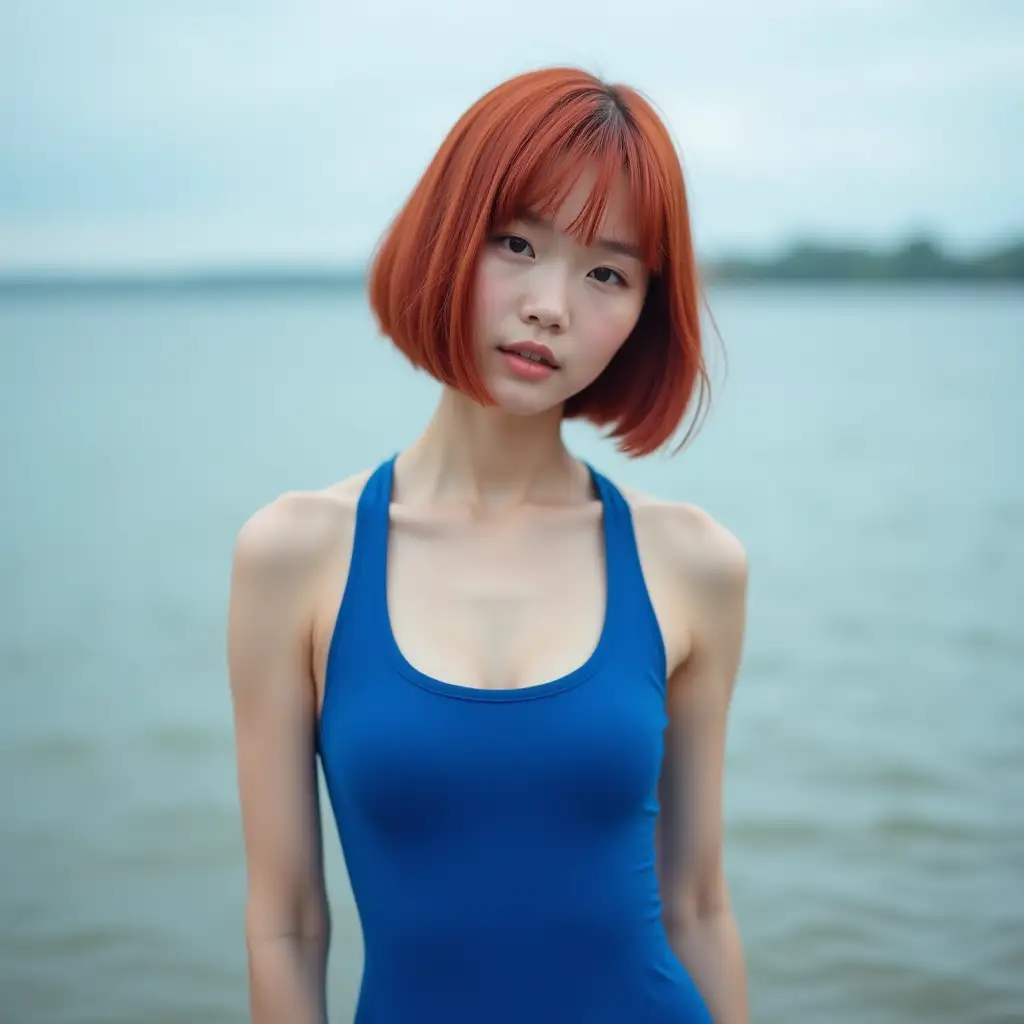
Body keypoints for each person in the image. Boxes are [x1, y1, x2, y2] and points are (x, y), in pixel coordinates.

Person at [227, 66, 750, 1024]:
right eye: (517, 243)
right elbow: (287, 926)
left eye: (607, 272)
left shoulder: (694, 564)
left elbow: (700, 907)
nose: (552, 304)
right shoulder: (295, 555)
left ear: (642, 312)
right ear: (447, 235)